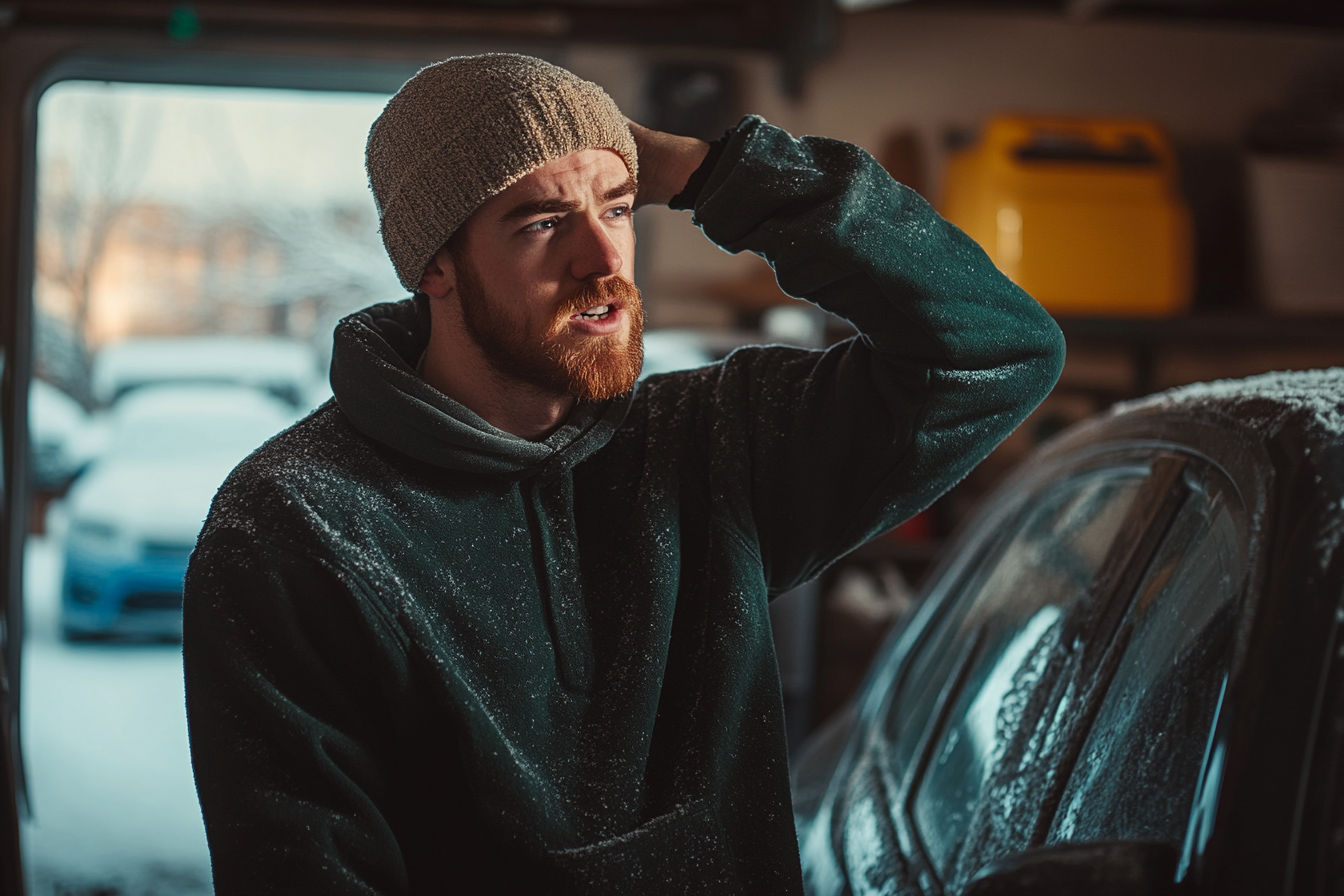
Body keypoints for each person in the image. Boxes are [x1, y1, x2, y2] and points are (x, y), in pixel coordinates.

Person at [183, 53, 1065, 894]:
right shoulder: (294, 527)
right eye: (541, 223)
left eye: (617, 208)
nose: (603, 262)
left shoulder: (714, 443)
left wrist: (712, 173)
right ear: (435, 268)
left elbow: (997, 347)